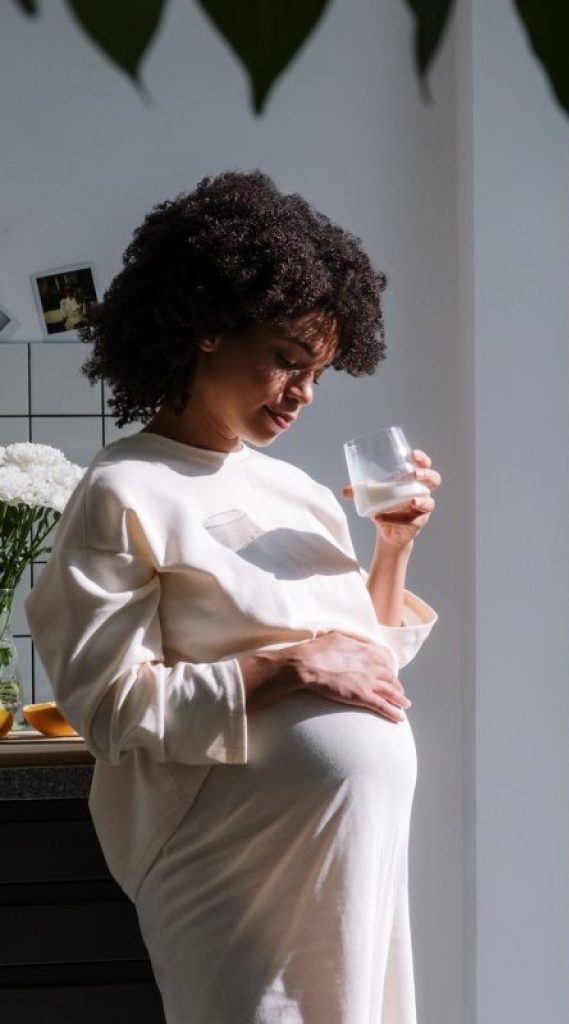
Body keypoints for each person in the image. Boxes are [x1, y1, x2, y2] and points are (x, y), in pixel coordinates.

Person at [24, 170, 441, 1023]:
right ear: (206, 329)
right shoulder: (125, 488)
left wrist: (392, 548)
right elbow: (109, 706)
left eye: (320, 372)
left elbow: (362, 661)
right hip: (230, 864)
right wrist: (284, 667)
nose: (303, 395)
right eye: (287, 361)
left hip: (353, 864)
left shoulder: (301, 493)